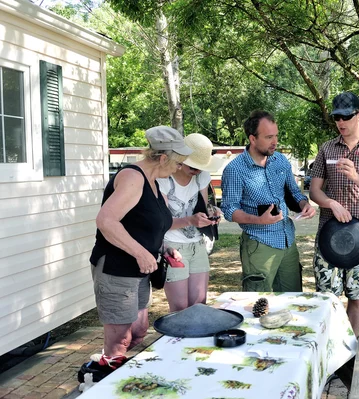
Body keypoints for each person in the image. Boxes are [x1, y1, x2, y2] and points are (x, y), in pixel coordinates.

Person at [81, 126, 192, 381]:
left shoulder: (154, 184)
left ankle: (109, 367)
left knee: (139, 332)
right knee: (120, 340)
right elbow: (106, 221)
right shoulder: (133, 177)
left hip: (139, 271)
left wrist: (164, 249)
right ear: (163, 157)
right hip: (117, 269)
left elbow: (148, 227)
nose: (179, 167)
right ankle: (104, 378)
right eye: (178, 162)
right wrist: (142, 253)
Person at [309, 92, 359, 336]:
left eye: (346, 117)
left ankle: (350, 347)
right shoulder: (326, 149)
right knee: (327, 299)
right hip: (329, 236)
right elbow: (314, 191)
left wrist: (356, 177)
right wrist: (331, 203)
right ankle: (329, 346)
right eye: (336, 118)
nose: (341, 123)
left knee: (357, 297)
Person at [221, 110, 316, 292]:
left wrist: (305, 204)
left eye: (276, 136)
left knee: (293, 300)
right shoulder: (235, 169)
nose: (275, 142)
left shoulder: (281, 161)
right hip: (259, 244)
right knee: (258, 303)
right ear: (252, 139)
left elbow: (294, 192)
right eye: (269, 137)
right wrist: (259, 220)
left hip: (288, 241)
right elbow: (229, 209)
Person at [157, 133, 224, 311]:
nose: (197, 171)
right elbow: (160, 222)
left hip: (197, 243)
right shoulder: (163, 180)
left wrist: (212, 212)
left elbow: (203, 207)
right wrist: (190, 220)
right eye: (193, 166)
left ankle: (196, 339)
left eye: (201, 167)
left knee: (199, 304)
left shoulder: (201, 177)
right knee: (180, 308)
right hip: (172, 245)